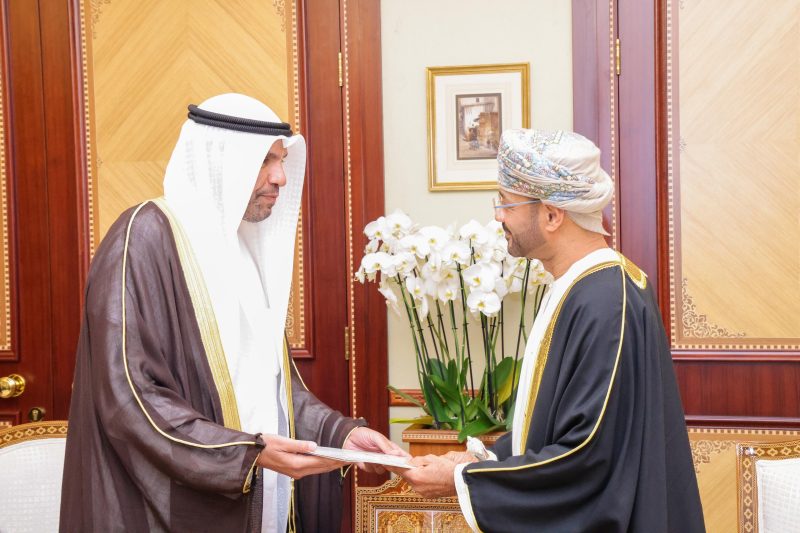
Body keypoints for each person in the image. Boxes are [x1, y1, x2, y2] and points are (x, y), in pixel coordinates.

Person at [60, 93, 405, 533]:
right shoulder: (142, 237)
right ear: (219, 160)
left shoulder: (242, 251)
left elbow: (271, 391)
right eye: (265, 160)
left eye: (281, 159)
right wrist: (245, 453)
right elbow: (129, 395)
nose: (281, 176)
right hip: (163, 510)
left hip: (259, 498)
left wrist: (340, 435)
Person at [393, 129, 705, 532]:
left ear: (553, 215)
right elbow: (551, 429)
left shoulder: (606, 300)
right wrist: (479, 462)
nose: (498, 215)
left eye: (506, 203)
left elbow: (586, 456)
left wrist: (462, 481)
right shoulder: (581, 288)